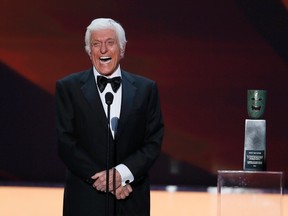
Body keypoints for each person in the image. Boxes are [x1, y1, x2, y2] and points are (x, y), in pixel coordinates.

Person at [55, 18, 164, 216]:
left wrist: (122, 174)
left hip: (130, 199)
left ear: (122, 49)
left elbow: (153, 142)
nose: (103, 49)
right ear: (89, 51)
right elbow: (66, 143)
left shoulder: (146, 89)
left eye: (110, 43)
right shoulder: (68, 88)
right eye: (96, 44)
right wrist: (109, 181)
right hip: (85, 200)